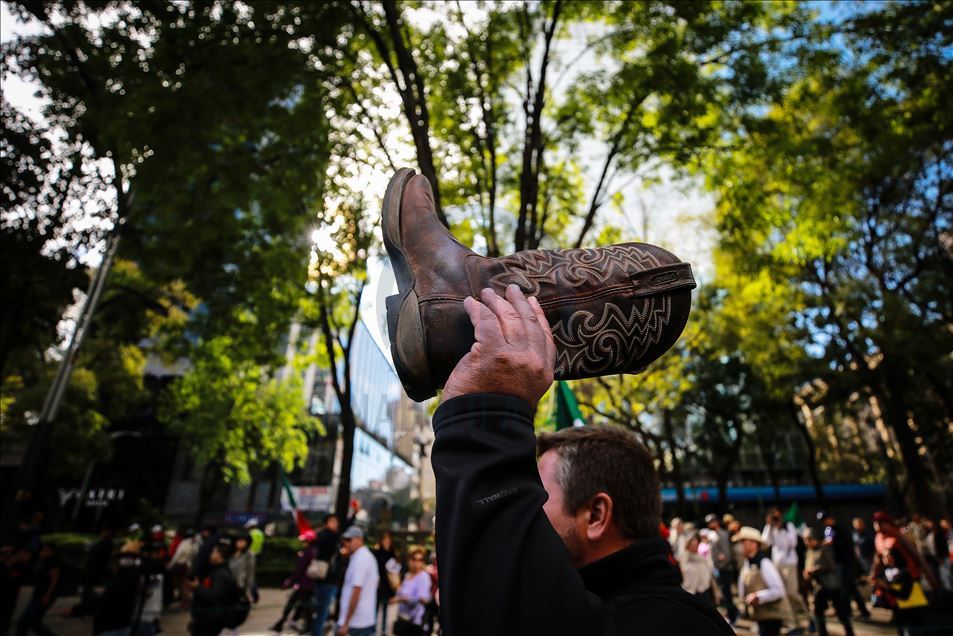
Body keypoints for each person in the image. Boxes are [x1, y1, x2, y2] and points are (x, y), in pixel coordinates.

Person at [430, 285, 733, 634]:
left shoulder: (671, 625)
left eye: (538, 495)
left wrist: (485, 415)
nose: (528, 506)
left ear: (596, 515)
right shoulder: (608, 607)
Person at [736, 525, 789, 636]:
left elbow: (779, 590)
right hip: (761, 616)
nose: (741, 545)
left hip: (771, 616)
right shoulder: (747, 564)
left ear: (754, 544)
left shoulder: (764, 563)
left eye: (743, 541)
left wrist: (758, 596)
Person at [763, 507, 809, 633]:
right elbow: (765, 542)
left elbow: (793, 543)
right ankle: (792, 623)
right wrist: (769, 526)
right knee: (782, 594)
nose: (776, 519)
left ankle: (806, 617)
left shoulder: (788, 526)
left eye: (777, 516)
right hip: (777, 564)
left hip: (789, 564)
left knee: (792, 593)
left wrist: (782, 529)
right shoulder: (771, 528)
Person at [803, 527, 854, 636]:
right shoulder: (809, 552)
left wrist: (815, 570)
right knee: (817, 612)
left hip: (831, 586)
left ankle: (849, 632)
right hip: (819, 588)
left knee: (841, 613)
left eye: (809, 539)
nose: (808, 542)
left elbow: (831, 566)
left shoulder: (824, 549)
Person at [819, 510, 870, 619]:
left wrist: (833, 543)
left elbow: (846, 545)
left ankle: (846, 612)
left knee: (844, 587)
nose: (824, 523)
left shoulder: (841, 529)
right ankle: (863, 610)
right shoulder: (828, 530)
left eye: (825, 520)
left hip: (846, 561)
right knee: (851, 587)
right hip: (837, 562)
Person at [188, 541, 246, 636]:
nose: (210, 555)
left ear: (220, 555)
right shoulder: (218, 571)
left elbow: (212, 596)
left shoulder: (221, 575)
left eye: (213, 552)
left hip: (211, 621)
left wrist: (197, 587)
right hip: (208, 619)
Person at [872, 548, 930, 636]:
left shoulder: (905, 572)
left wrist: (887, 588)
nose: (886, 559)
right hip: (898, 611)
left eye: (889, 556)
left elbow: (905, 595)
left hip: (913, 609)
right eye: (884, 557)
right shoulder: (885, 574)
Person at [271, 529, 317, 634]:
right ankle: (282, 623)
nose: (303, 543)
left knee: (295, 605)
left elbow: (299, 570)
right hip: (308, 585)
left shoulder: (308, 552)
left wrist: (289, 582)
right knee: (302, 606)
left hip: (303, 585)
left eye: (305, 541)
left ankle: (306, 626)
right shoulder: (314, 551)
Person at [337, 526, 379, 636]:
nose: (346, 543)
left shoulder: (361, 559)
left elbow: (356, 591)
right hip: (360, 621)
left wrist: (346, 622)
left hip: (356, 623)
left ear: (359, 539)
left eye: (349, 540)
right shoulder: (361, 557)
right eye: (344, 540)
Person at [15, 542, 60, 636]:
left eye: (47, 550)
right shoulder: (42, 560)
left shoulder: (52, 561)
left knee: (32, 621)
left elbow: (54, 579)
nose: (44, 551)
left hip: (44, 594)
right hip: (38, 593)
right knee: (25, 621)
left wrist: (48, 595)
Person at [390, 546, 432, 636]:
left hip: (415, 622)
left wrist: (400, 599)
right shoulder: (407, 575)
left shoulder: (423, 577)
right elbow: (400, 592)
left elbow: (423, 599)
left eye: (420, 560)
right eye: (414, 559)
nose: (416, 563)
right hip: (403, 619)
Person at [312, 514, 342, 636]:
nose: (336, 523)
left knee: (320, 615)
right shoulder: (329, 536)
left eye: (336, 521)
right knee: (321, 616)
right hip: (327, 581)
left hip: (322, 579)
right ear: (326, 523)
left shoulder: (321, 535)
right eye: (332, 521)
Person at [706, 513, 739, 624]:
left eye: (713, 521)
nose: (711, 524)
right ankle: (732, 612)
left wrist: (723, 563)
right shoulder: (711, 535)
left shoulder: (724, 534)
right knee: (724, 593)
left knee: (727, 593)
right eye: (710, 522)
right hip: (718, 568)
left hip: (725, 568)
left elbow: (727, 552)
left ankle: (733, 615)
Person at [372, 532, 398, 636]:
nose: (386, 542)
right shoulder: (377, 552)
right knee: (377, 606)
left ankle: (383, 629)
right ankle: (373, 627)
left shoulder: (392, 553)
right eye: (385, 540)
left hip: (388, 584)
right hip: (379, 583)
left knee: (386, 607)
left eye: (388, 540)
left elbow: (395, 568)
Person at [678, 532, 715, 606]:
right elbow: (684, 572)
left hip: (704, 589)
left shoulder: (700, 557)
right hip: (691, 591)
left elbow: (708, 569)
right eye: (693, 545)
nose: (695, 547)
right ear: (688, 545)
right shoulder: (684, 557)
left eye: (696, 544)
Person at [229, 533, 256, 605]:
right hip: (227, 582)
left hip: (239, 584)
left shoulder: (249, 555)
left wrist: (248, 590)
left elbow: (250, 573)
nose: (240, 543)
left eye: (243, 541)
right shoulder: (229, 552)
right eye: (239, 540)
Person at [245, 518, 265, 603]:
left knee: (249, 577)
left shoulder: (251, 533)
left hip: (249, 556)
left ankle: (254, 594)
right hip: (257, 555)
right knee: (251, 576)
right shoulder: (260, 533)